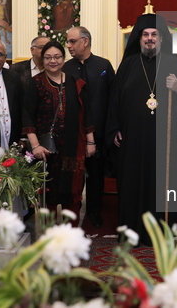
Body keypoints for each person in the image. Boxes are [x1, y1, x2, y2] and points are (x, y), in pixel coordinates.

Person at [106, 13, 177, 246]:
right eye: (146, 35)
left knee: (162, 184)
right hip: (132, 140)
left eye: (154, 35)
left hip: (165, 140)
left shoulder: (173, 63)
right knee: (132, 183)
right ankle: (131, 231)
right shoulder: (129, 65)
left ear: (162, 39)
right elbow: (114, 102)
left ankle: (161, 233)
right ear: (139, 39)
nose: (150, 39)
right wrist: (115, 128)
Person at [23, 41, 95, 224]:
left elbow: (86, 113)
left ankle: (71, 235)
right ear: (42, 60)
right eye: (48, 57)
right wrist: (35, 145)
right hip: (47, 151)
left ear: (64, 59)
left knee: (73, 192)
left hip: (74, 147)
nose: (52, 61)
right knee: (49, 194)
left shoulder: (75, 82)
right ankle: (51, 236)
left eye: (57, 57)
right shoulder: (35, 83)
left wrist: (90, 141)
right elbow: (27, 115)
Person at [62, 26, 115, 228]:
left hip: (100, 133)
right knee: (73, 175)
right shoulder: (66, 68)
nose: (69, 45)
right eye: (68, 42)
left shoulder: (103, 65)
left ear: (85, 41)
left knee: (96, 175)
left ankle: (94, 211)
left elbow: (113, 98)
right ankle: (72, 213)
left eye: (72, 41)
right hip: (74, 134)